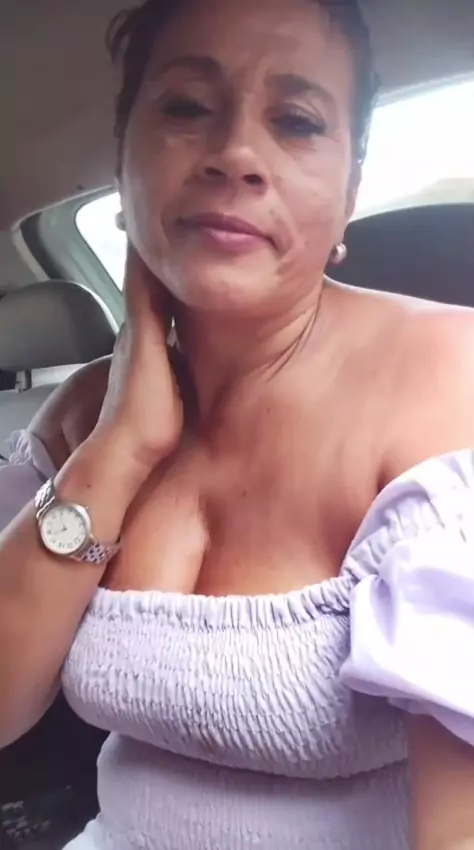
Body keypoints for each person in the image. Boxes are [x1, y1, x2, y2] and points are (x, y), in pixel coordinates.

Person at [2, 0, 474, 847]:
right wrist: (122, 444)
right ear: (124, 160)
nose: (236, 154)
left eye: (296, 122)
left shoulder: (451, 383)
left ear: (350, 189)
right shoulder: (83, 415)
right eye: (187, 107)